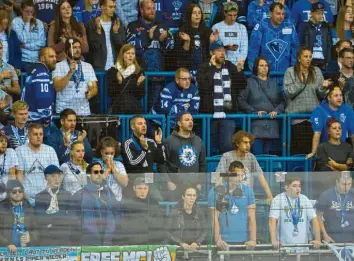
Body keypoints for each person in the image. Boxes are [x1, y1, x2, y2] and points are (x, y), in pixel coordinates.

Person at [197, 39, 246, 154]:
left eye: (223, 51)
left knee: (227, 146)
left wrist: (239, 71)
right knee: (208, 148)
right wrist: (213, 68)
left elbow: (242, 85)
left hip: (228, 114)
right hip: (209, 115)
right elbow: (204, 86)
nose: (222, 53)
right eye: (219, 51)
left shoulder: (230, 66)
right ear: (211, 53)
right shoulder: (204, 67)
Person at [284, 47, 330, 155]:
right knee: (297, 152)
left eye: (310, 56)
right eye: (305, 56)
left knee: (313, 152)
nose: (308, 59)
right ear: (299, 58)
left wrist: (323, 87)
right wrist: (301, 82)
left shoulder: (316, 71)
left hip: (313, 119)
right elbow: (289, 92)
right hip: (296, 120)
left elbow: (321, 95)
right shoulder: (290, 71)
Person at [238, 57, 285, 155]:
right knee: (257, 157)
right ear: (256, 67)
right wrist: (253, 111)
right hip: (256, 127)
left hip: (272, 127)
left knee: (268, 159)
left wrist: (277, 110)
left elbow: (283, 102)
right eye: (261, 65)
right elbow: (241, 100)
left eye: (266, 65)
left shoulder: (274, 83)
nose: (264, 68)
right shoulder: (249, 82)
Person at [209, 161, 256, 250]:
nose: (240, 179)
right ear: (230, 174)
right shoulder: (216, 191)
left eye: (242, 175)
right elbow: (214, 218)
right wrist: (218, 239)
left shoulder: (248, 191)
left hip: (244, 241)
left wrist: (253, 239)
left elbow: (252, 218)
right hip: (222, 242)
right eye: (237, 175)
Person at [159, 112, 206, 200]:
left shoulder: (198, 141)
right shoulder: (169, 141)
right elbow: (161, 164)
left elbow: (202, 163)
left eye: (191, 120)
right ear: (179, 123)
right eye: (187, 120)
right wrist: (168, 182)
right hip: (176, 186)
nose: (190, 122)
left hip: (194, 187)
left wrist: (200, 183)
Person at [216, 131, 273, 203]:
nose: (248, 145)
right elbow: (220, 175)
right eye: (245, 142)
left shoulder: (251, 157)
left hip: (247, 196)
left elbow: (261, 177)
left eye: (249, 143)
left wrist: (270, 196)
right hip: (230, 196)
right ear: (237, 143)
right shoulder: (227, 156)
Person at [269, 176, 321, 250]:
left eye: (299, 186)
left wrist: (318, 239)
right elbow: (272, 221)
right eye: (294, 186)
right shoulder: (278, 199)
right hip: (284, 247)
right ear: (287, 188)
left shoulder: (304, 199)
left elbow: (314, 219)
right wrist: (274, 240)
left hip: (303, 246)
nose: (298, 189)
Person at [75, 162, 120, 245]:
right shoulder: (81, 194)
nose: (99, 174)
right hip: (88, 243)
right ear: (88, 175)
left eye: (101, 172)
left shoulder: (108, 192)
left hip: (108, 240)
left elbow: (116, 212)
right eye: (96, 172)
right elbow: (77, 220)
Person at [15, 123, 60, 206]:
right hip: (27, 198)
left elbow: (56, 175)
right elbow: (19, 175)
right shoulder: (20, 150)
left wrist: (51, 195)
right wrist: (24, 196)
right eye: (35, 134)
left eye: (41, 134)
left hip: (47, 197)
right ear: (28, 136)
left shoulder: (50, 150)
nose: (39, 137)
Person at [248, 3, 299, 74]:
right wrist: (254, 71)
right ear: (270, 13)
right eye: (278, 14)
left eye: (283, 14)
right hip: (265, 74)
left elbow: (295, 49)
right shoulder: (262, 26)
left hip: (284, 74)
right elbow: (253, 50)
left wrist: (294, 70)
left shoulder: (289, 25)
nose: (281, 16)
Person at [52, 37, 98, 116]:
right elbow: (57, 87)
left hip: (83, 111)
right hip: (64, 111)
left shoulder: (88, 66)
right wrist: (70, 72)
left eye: (79, 47)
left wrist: (91, 93)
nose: (77, 50)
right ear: (66, 51)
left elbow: (94, 87)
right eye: (74, 47)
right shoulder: (58, 66)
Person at [34, 165, 78, 246]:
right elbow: (41, 219)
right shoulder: (40, 196)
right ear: (46, 177)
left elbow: (72, 217)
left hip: (64, 237)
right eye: (53, 176)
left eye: (59, 176)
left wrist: (51, 219)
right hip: (46, 238)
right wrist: (62, 216)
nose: (57, 179)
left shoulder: (67, 195)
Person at [307, 85, 354, 159]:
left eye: (341, 95)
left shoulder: (348, 110)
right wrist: (313, 152)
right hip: (324, 150)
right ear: (329, 98)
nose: (339, 98)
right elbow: (317, 133)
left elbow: (353, 134)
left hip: (342, 150)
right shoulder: (319, 110)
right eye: (336, 95)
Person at [126, 0, 174, 72]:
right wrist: (148, 38)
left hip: (160, 72)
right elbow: (129, 47)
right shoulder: (132, 26)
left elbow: (171, 47)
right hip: (140, 72)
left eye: (153, 8)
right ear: (141, 10)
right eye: (148, 9)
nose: (152, 11)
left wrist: (162, 41)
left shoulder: (163, 25)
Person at [119, 177, 164, 245]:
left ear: (148, 189)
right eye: (140, 188)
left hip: (152, 243)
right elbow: (126, 227)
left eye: (145, 188)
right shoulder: (128, 206)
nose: (142, 191)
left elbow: (159, 226)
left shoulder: (154, 205)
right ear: (134, 188)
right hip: (134, 243)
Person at [174, 3, 216, 74]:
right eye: (194, 13)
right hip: (187, 70)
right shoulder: (182, 30)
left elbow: (212, 55)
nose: (197, 15)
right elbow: (180, 56)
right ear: (189, 15)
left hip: (205, 70)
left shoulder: (207, 31)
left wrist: (212, 42)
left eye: (199, 13)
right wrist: (187, 42)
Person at [106, 43, 146, 114]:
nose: (130, 56)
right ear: (122, 55)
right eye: (128, 53)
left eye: (133, 53)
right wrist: (120, 82)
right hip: (118, 107)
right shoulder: (113, 71)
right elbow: (111, 93)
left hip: (134, 107)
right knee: (124, 99)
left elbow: (141, 95)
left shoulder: (139, 71)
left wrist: (138, 84)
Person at [21, 47, 56, 125]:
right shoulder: (42, 73)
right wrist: (46, 119)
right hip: (38, 121)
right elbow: (43, 98)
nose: (54, 59)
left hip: (30, 119)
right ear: (42, 59)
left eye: (55, 56)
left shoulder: (35, 70)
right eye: (51, 56)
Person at [86, 0, 126, 71]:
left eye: (114, 7)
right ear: (102, 7)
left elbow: (122, 46)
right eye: (110, 7)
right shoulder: (92, 24)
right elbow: (94, 47)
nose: (113, 9)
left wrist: (116, 33)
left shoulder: (118, 23)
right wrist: (98, 31)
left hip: (116, 68)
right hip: (98, 68)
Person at [316, 172, 354, 243]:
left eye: (349, 184)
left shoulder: (352, 194)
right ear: (337, 182)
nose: (346, 187)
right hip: (333, 239)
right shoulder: (326, 195)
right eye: (343, 184)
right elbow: (318, 217)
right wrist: (325, 235)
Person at [0, 180, 37, 252]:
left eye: (20, 191)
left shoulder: (29, 207)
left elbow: (36, 229)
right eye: (14, 192)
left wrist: (31, 237)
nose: (18, 193)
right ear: (9, 193)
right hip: (7, 251)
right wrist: (7, 244)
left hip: (26, 251)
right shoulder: (1, 208)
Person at [11, 0, 46, 73]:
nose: (30, 14)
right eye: (27, 11)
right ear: (21, 10)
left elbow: (42, 43)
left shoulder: (39, 23)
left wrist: (26, 45)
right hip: (22, 59)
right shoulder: (15, 22)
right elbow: (21, 39)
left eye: (31, 12)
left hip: (37, 59)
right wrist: (27, 23)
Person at [212, 1, 248, 66]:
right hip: (221, 64)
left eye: (235, 15)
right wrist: (226, 47)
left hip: (237, 64)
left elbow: (244, 49)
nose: (233, 18)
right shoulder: (216, 27)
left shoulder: (242, 28)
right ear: (225, 13)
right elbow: (214, 49)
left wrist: (240, 63)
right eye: (230, 15)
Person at [96, 136, 128, 202]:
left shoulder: (119, 165)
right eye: (106, 153)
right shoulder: (97, 165)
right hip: (102, 201)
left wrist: (113, 169)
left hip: (117, 201)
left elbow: (125, 183)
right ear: (101, 152)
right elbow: (96, 182)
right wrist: (108, 169)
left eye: (111, 153)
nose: (109, 156)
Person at [301, 3, 332, 69]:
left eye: (322, 13)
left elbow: (329, 44)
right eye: (318, 13)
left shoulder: (326, 26)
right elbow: (305, 44)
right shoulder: (307, 26)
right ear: (311, 13)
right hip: (311, 59)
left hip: (323, 59)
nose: (320, 16)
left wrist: (328, 60)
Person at [0, 41, 21, 117]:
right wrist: (2, 76)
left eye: (1, 48)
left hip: (6, 106)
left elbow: (18, 90)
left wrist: (5, 88)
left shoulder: (10, 68)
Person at [0, 130, 18, 202]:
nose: (4, 143)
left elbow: (12, 174)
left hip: (7, 192)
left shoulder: (10, 152)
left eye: (5, 141)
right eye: (1, 141)